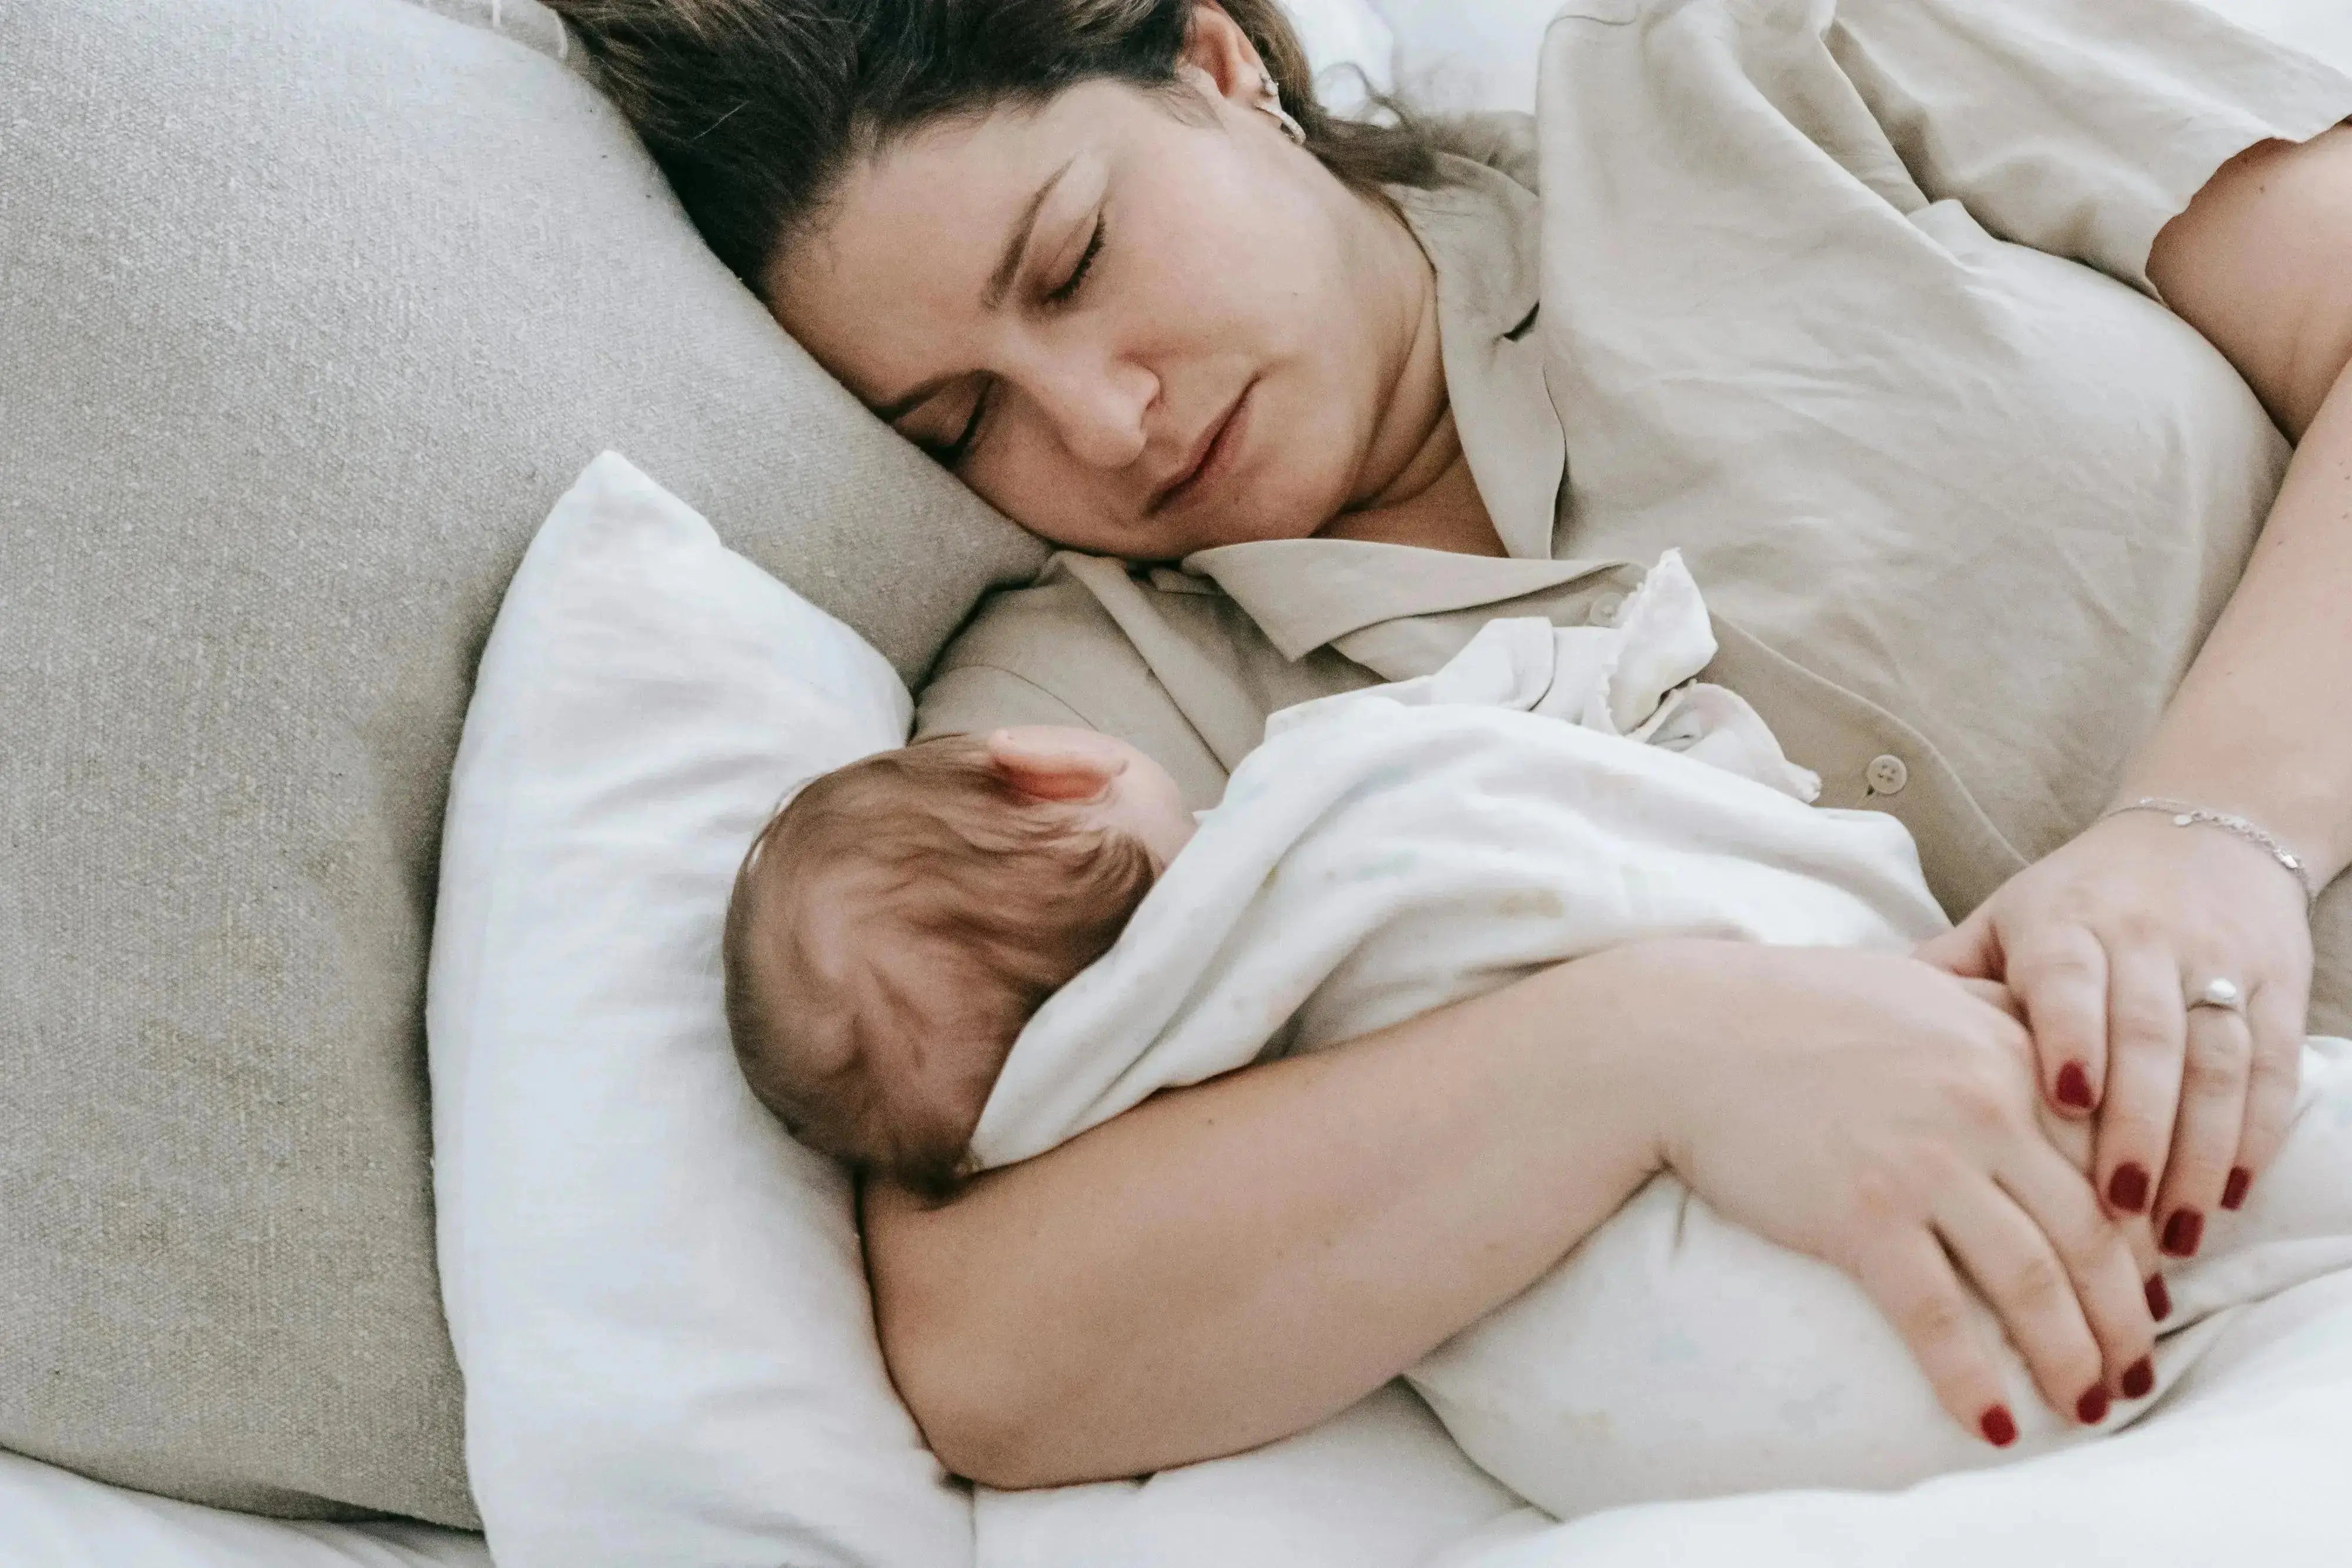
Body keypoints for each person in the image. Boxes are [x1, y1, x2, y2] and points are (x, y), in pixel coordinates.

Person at [549, 0, 2352, 1495]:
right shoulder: (1100, 728)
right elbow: (981, 1345)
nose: (1099, 424)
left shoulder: (1764, 57)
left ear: (1214, 64)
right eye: (961, 422)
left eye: (1078, 263)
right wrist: (1654, 1049)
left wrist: (2217, 829)